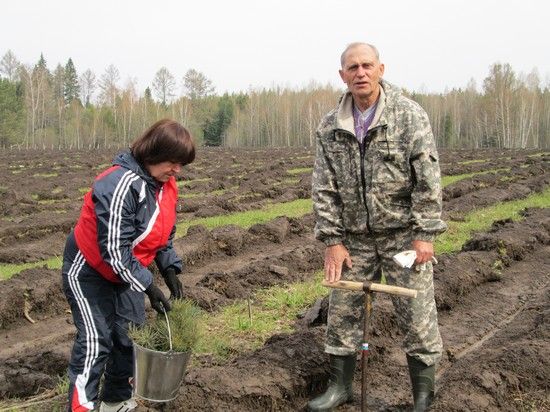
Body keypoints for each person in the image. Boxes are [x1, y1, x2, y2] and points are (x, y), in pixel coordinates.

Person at [310, 43, 447, 412]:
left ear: (381, 69)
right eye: (352, 67)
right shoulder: (330, 125)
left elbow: (427, 177)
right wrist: (333, 240)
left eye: (367, 65)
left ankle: (422, 395)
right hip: (353, 240)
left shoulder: (409, 115)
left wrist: (424, 234)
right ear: (343, 75)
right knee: (342, 312)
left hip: (402, 236)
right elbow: (324, 186)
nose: (361, 73)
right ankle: (340, 387)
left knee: (417, 315)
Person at [62, 119, 195, 412]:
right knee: (97, 339)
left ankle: (117, 400)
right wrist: (148, 286)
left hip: (126, 270)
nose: (177, 170)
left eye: (181, 164)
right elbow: (113, 251)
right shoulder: (119, 184)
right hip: (89, 269)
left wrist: (170, 270)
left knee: (130, 335)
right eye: (172, 162)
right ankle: (81, 406)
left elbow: (162, 236)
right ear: (152, 153)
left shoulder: (166, 186)